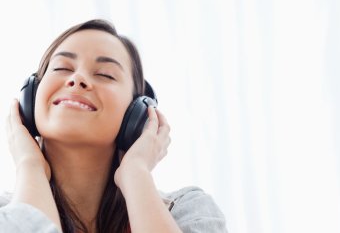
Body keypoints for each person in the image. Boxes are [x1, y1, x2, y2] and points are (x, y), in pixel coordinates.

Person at [0, 19, 228, 233]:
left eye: (105, 74)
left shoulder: (186, 211)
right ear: (31, 96)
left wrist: (136, 172)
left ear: (137, 112)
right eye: (62, 68)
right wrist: (29, 166)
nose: (77, 79)